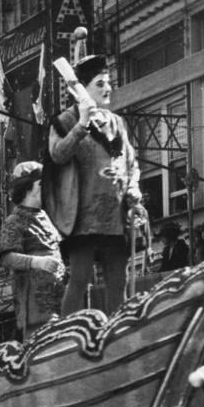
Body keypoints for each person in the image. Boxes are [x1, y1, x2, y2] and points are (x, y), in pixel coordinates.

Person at [48, 54, 142, 317]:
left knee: (118, 280)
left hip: (114, 213)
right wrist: (81, 125)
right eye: (100, 84)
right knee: (80, 278)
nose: (107, 88)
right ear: (82, 89)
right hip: (82, 213)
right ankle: (65, 336)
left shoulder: (116, 122)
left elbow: (131, 163)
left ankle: (117, 335)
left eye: (108, 82)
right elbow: (57, 154)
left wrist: (134, 186)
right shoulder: (64, 120)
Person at [0, 161, 65, 341]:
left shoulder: (46, 217)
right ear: (32, 187)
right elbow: (7, 257)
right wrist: (37, 262)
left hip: (58, 300)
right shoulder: (14, 220)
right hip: (36, 306)